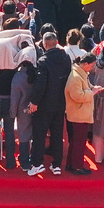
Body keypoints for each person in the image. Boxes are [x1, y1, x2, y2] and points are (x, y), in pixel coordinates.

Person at [28, 32, 72, 176]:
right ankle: (56, 164)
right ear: (57, 42)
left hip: (44, 104)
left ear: (45, 44)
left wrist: (34, 101)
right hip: (60, 102)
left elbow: (41, 83)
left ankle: (37, 163)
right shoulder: (66, 58)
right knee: (57, 134)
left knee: (39, 134)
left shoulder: (43, 61)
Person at [64, 52, 100, 175]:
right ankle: (77, 167)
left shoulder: (80, 73)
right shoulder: (76, 77)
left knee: (76, 142)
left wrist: (94, 89)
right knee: (79, 143)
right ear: (85, 64)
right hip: (78, 114)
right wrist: (93, 92)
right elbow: (78, 96)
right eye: (92, 65)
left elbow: (85, 89)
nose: (92, 68)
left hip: (79, 113)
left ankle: (71, 164)